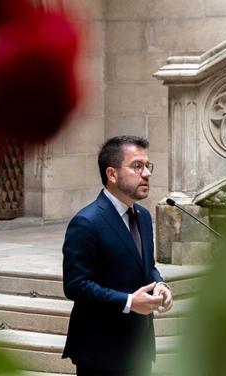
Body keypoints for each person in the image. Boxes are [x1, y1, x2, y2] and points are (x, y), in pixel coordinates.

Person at [62, 135, 174, 376]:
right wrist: (130, 302)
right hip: (101, 353)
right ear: (112, 174)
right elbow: (76, 286)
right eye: (137, 166)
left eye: (147, 166)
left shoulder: (143, 216)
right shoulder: (86, 222)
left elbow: (147, 267)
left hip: (140, 347)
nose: (146, 173)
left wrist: (160, 285)